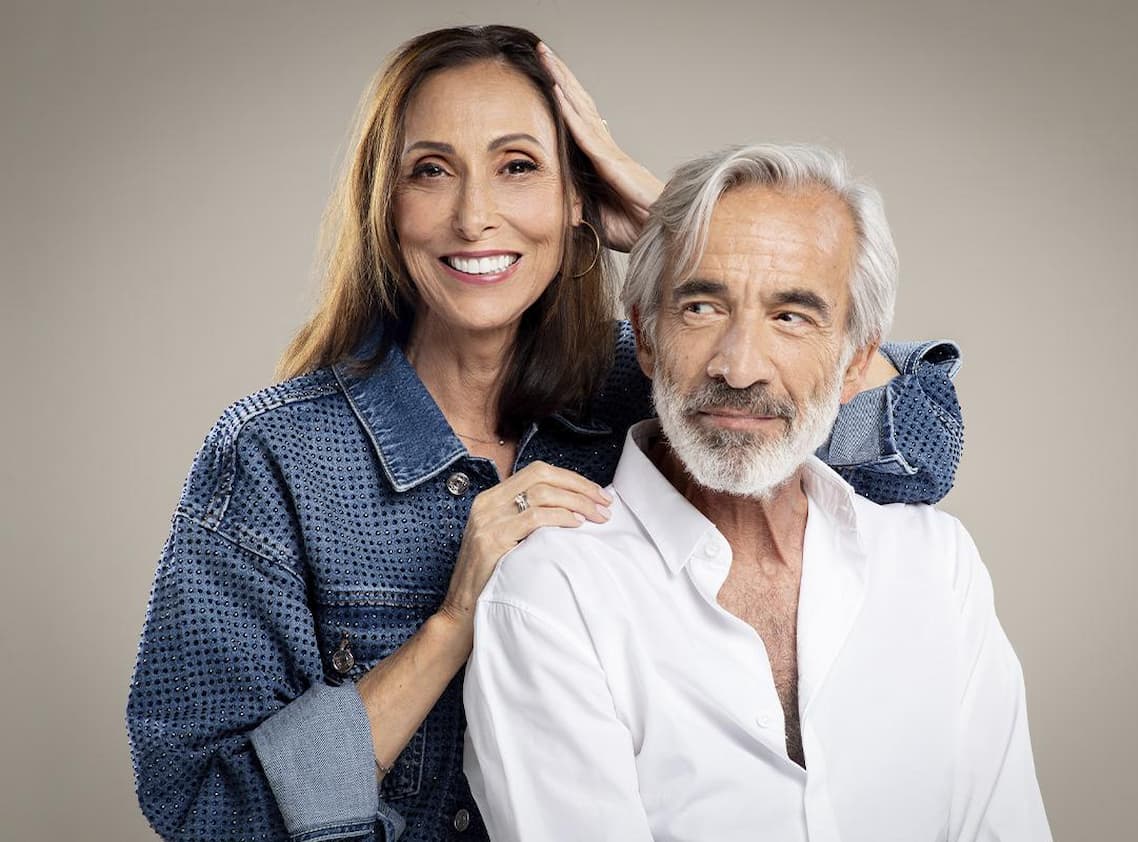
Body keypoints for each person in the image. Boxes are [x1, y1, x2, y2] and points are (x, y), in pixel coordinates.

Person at [126, 26, 965, 842]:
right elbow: (203, 807)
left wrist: (678, 232)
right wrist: (451, 624)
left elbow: (911, 452)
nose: (474, 217)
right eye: (431, 172)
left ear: (575, 198)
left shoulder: (649, 385)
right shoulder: (274, 456)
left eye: (517, 167)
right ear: (386, 206)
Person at [463, 143, 1050, 841]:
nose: (739, 368)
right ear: (646, 336)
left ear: (858, 358)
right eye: (703, 306)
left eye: (791, 316)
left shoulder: (937, 567)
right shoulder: (552, 596)